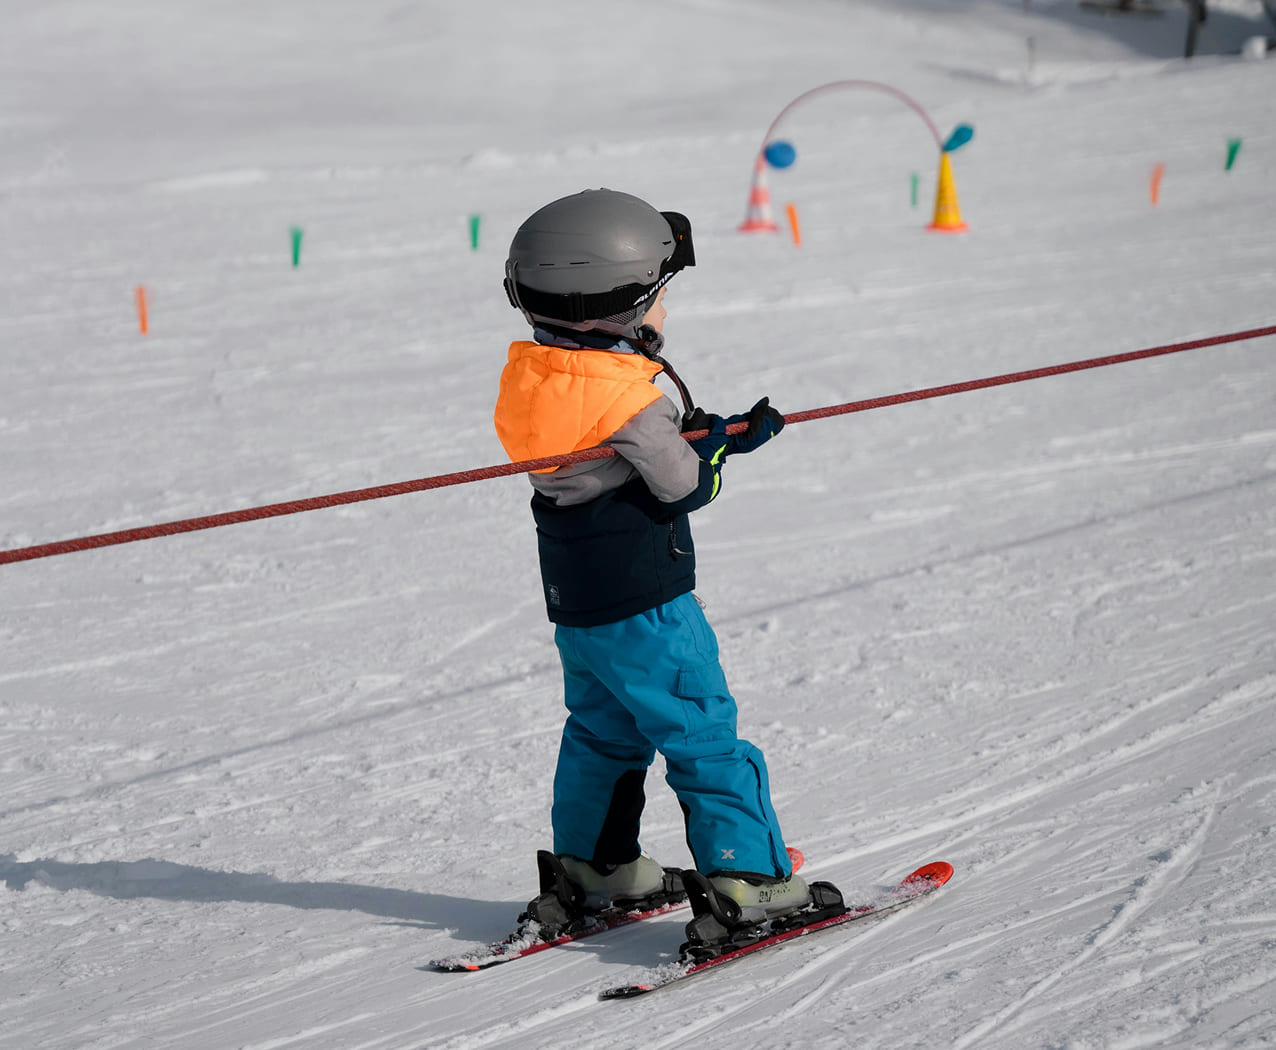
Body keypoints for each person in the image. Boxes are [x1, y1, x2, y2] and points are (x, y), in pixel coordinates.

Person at [493, 188, 832, 951]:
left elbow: (595, 454)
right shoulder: (630, 399)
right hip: (647, 604)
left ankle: (595, 869)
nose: (664, 314)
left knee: (601, 731)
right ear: (620, 304)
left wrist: (697, 435)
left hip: (577, 603)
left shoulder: (531, 376)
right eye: (658, 298)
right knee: (701, 731)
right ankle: (750, 883)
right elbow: (685, 485)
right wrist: (712, 451)